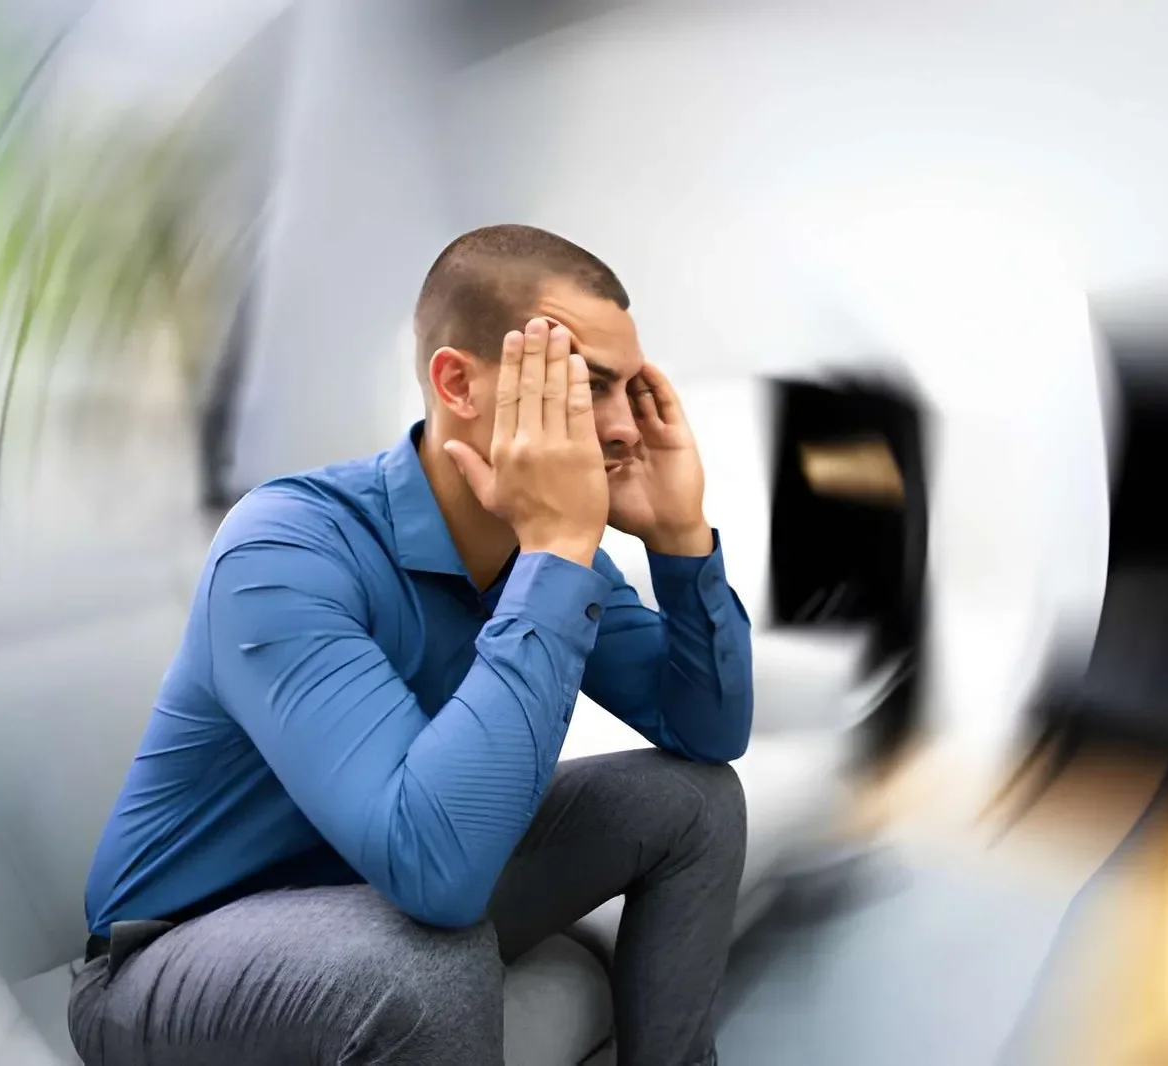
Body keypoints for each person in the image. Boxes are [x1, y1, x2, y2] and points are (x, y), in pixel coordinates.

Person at [70, 225, 754, 1066]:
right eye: (582, 385)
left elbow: (709, 732)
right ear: (457, 383)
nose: (621, 429)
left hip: (371, 886)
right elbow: (438, 877)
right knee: (426, 964)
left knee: (696, 802)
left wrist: (681, 540)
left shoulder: (540, 554)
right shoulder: (283, 549)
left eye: (631, 392)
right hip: (175, 952)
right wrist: (556, 552)